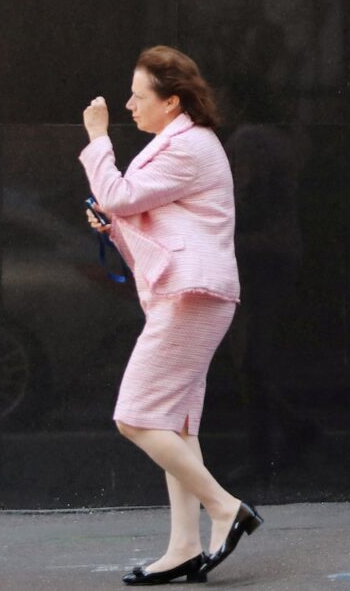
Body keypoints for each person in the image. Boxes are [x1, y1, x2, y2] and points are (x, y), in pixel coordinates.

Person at [81, 46, 263, 584]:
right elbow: (146, 211)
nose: (129, 105)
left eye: (138, 96)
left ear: (171, 101)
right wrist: (113, 226)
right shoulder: (179, 143)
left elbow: (117, 193)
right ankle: (185, 546)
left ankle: (226, 508)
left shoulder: (189, 147)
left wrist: (97, 138)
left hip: (192, 294)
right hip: (186, 292)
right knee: (176, 424)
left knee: (134, 416)